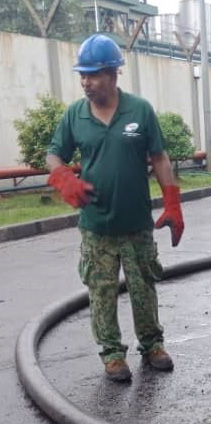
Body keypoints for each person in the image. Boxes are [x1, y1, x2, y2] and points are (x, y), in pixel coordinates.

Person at [45, 33, 185, 383]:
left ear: (113, 74)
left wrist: (172, 202)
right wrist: (63, 177)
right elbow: (53, 153)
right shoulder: (75, 115)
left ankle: (152, 345)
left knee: (143, 287)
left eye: (92, 74)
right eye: (82, 75)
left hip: (136, 221)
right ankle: (111, 354)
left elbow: (159, 157)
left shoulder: (139, 110)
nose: (85, 82)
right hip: (96, 225)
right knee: (101, 290)